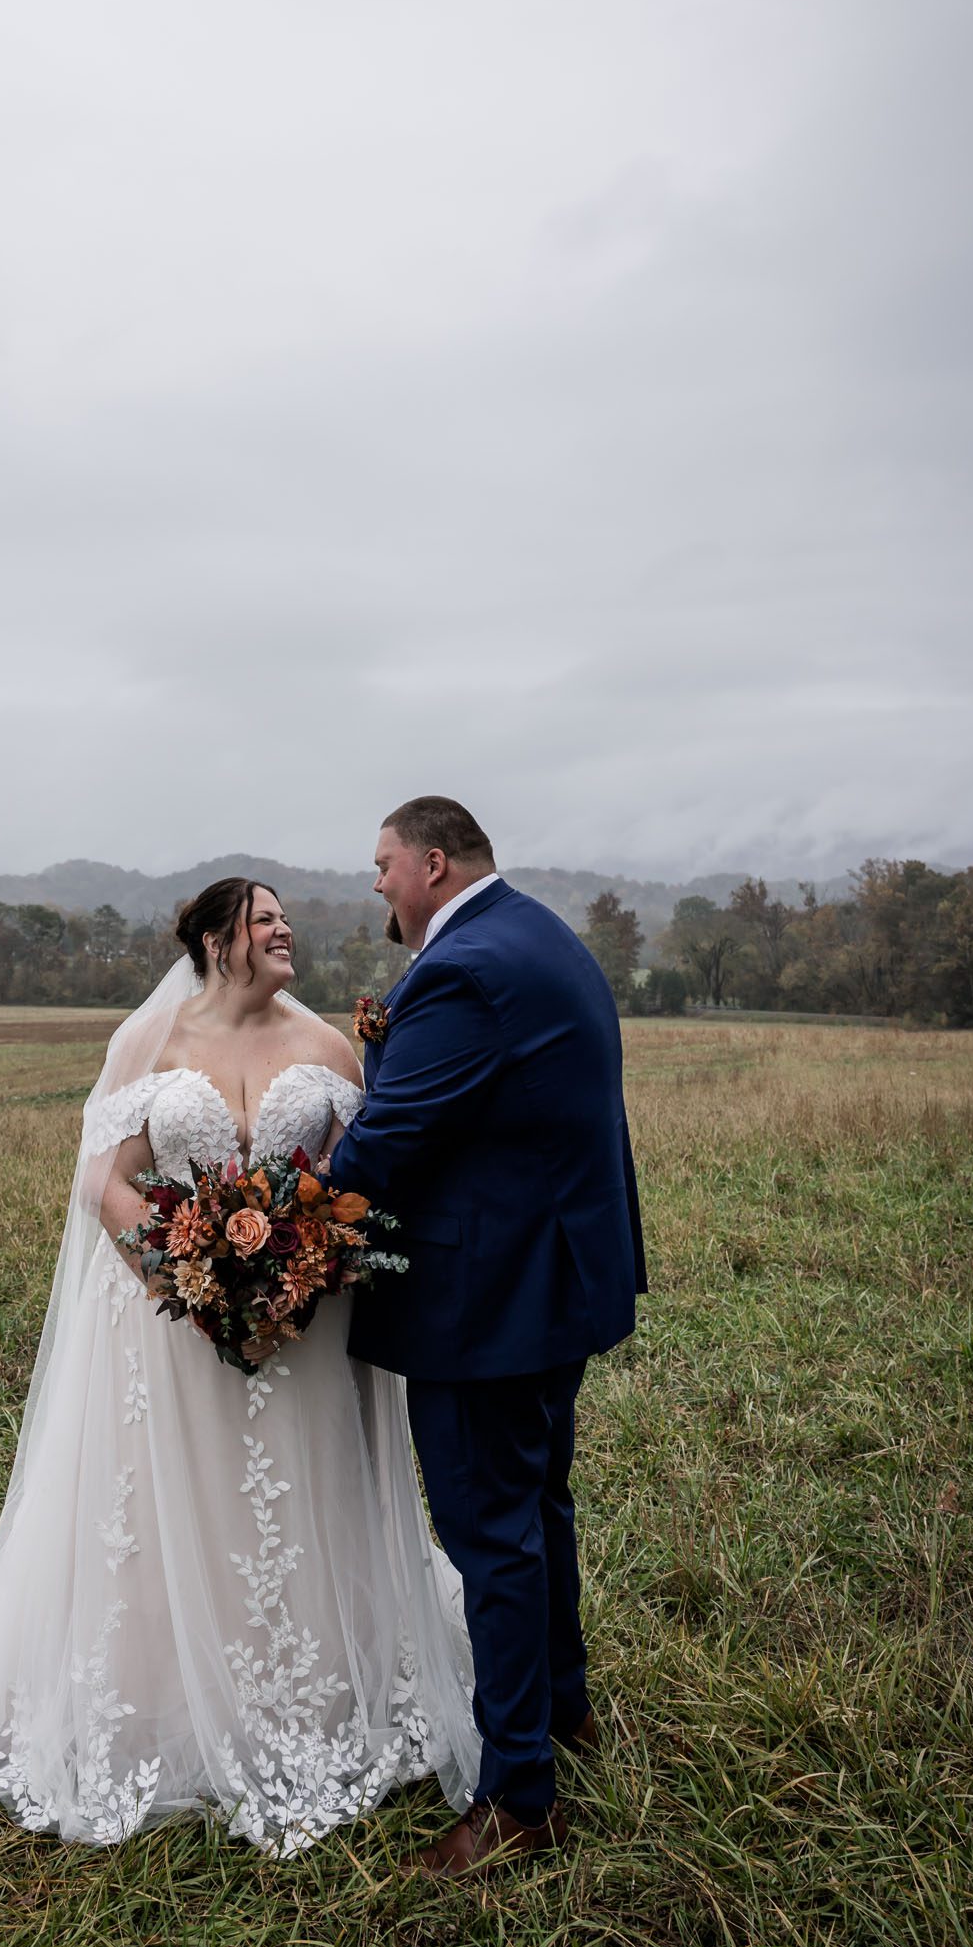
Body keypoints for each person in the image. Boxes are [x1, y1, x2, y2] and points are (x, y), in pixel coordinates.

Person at [0, 877, 479, 1856]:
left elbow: (354, 1181)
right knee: (180, 1502)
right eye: (262, 919)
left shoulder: (328, 1050)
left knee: (298, 1499)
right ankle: (163, 1688)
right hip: (168, 1322)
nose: (283, 927)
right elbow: (102, 1176)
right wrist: (185, 1264)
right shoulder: (151, 1044)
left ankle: (307, 1690)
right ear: (216, 943)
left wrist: (300, 1267)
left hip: (304, 1325)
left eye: (283, 915)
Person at [326, 796, 646, 1877]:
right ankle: (561, 1708)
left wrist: (282, 1219)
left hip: (489, 1303)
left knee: (491, 1533)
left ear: (429, 861)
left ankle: (517, 1796)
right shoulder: (539, 933)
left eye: (380, 865)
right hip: (557, 1283)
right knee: (536, 1502)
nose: (374, 884)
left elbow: (385, 1141)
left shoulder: (462, 971)